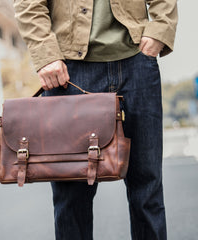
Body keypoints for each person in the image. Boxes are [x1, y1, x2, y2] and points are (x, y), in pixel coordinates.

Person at [13, 0, 178, 239]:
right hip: (69, 73)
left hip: (137, 62)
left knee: (148, 191)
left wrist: (160, 29)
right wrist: (46, 54)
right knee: (71, 199)